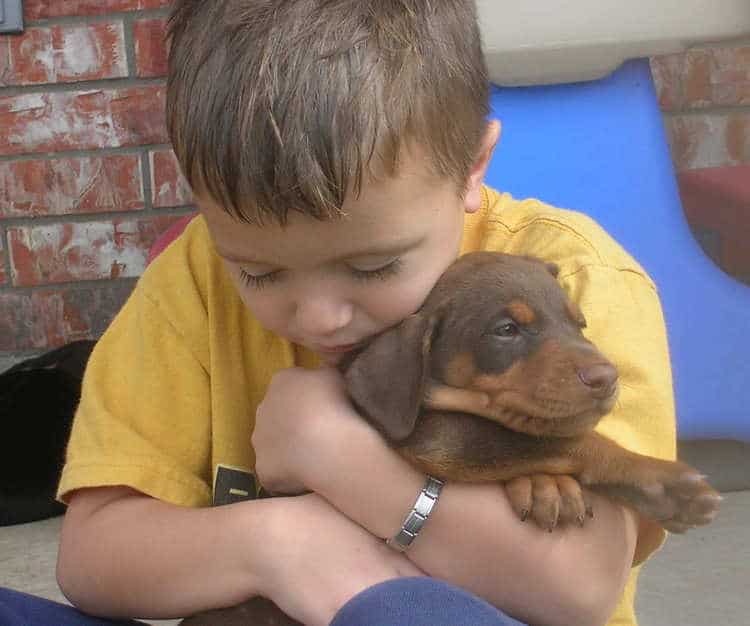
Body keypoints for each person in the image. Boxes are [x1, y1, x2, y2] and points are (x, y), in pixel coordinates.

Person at [0, 1, 676, 625]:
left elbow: (580, 586)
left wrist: (338, 456)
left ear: (472, 168)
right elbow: (93, 556)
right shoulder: (195, 277)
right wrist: (281, 540)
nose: (319, 318)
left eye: (373, 266)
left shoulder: (568, 281)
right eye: (259, 272)